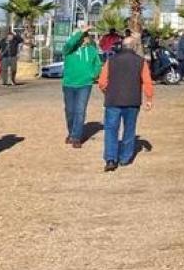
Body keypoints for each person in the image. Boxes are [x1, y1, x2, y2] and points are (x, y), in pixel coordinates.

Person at [97, 34, 154, 172]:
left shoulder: (111, 60)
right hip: (132, 100)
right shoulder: (141, 62)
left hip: (113, 100)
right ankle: (125, 158)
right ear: (134, 47)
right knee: (129, 129)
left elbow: (102, 82)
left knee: (111, 130)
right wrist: (149, 98)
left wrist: (107, 92)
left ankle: (111, 158)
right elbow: (147, 81)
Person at [61, 26, 103, 148]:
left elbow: (98, 64)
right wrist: (80, 32)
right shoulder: (69, 49)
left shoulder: (91, 50)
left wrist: (93, 75)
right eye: (82, 36)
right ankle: (71, 132)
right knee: (70, 111)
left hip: (85, 84)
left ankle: (76, 137)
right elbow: (69, 43)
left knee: (80, 110)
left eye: (85, 36)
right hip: (69, 84)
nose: (84, 38)